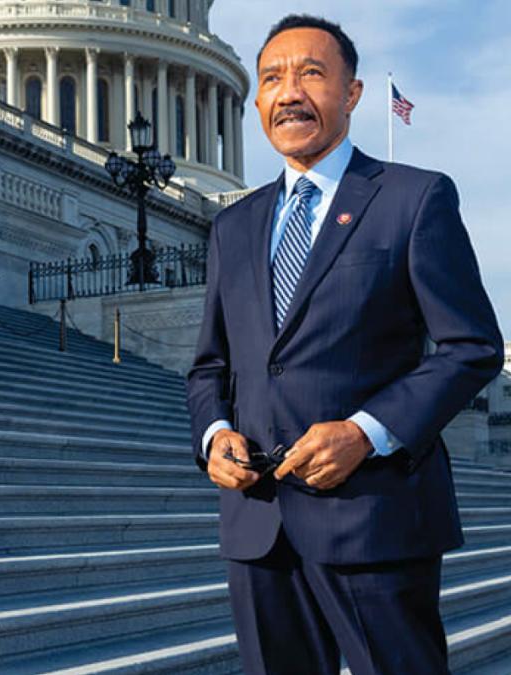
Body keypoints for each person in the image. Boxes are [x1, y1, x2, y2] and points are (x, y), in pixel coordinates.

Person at [185, 13, 503, 675]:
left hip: (374, 516)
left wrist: (365, 432)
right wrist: (215, 435)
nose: (289, 93)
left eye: (311, 74)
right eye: (272, 78)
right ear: (257, 101)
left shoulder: (413, 198)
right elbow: (211, 364)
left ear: (351, 93)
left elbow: (471, 345)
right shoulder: (233, 227)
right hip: (258, 523)